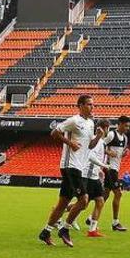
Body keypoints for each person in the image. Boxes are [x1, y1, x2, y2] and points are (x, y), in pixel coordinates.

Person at [38, 95, 103, 247]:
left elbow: (90, 146)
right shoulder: (73, 121)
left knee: (63, 202)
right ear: (80, 105)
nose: (92, 107)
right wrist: (70, 143)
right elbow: (54, 132)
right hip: (69, 165)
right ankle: (65, 228)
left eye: (93, 104)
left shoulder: (90, 123)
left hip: (79, 166)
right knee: (84, 200)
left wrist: (99, 136)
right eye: (88, 104)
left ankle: (46, 232)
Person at [83, 119, 111, 237]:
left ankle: (92, 230)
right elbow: (91, 157)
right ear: (104, 128)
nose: (108, 130)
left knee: (99, 201)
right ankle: (59, 215)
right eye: (108, 128)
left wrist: (99, 170)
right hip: (89, 176)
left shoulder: (100, 141)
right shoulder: (98, 140)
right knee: (83, 203)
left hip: (93, 175)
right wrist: (103, 166)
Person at [103, 116, 130, 231]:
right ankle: (115, 223)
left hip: (115, 168)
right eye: (126, 125)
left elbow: (118, 156)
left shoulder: (125, 139)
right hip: (109, 169)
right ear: (119, 124)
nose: (127, 128)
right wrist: (108, 152)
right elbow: (99, 146)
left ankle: (90, 218)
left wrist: (123, 155)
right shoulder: (111, 135)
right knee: (118, 194)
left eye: (129, 126)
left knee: (103, 196)